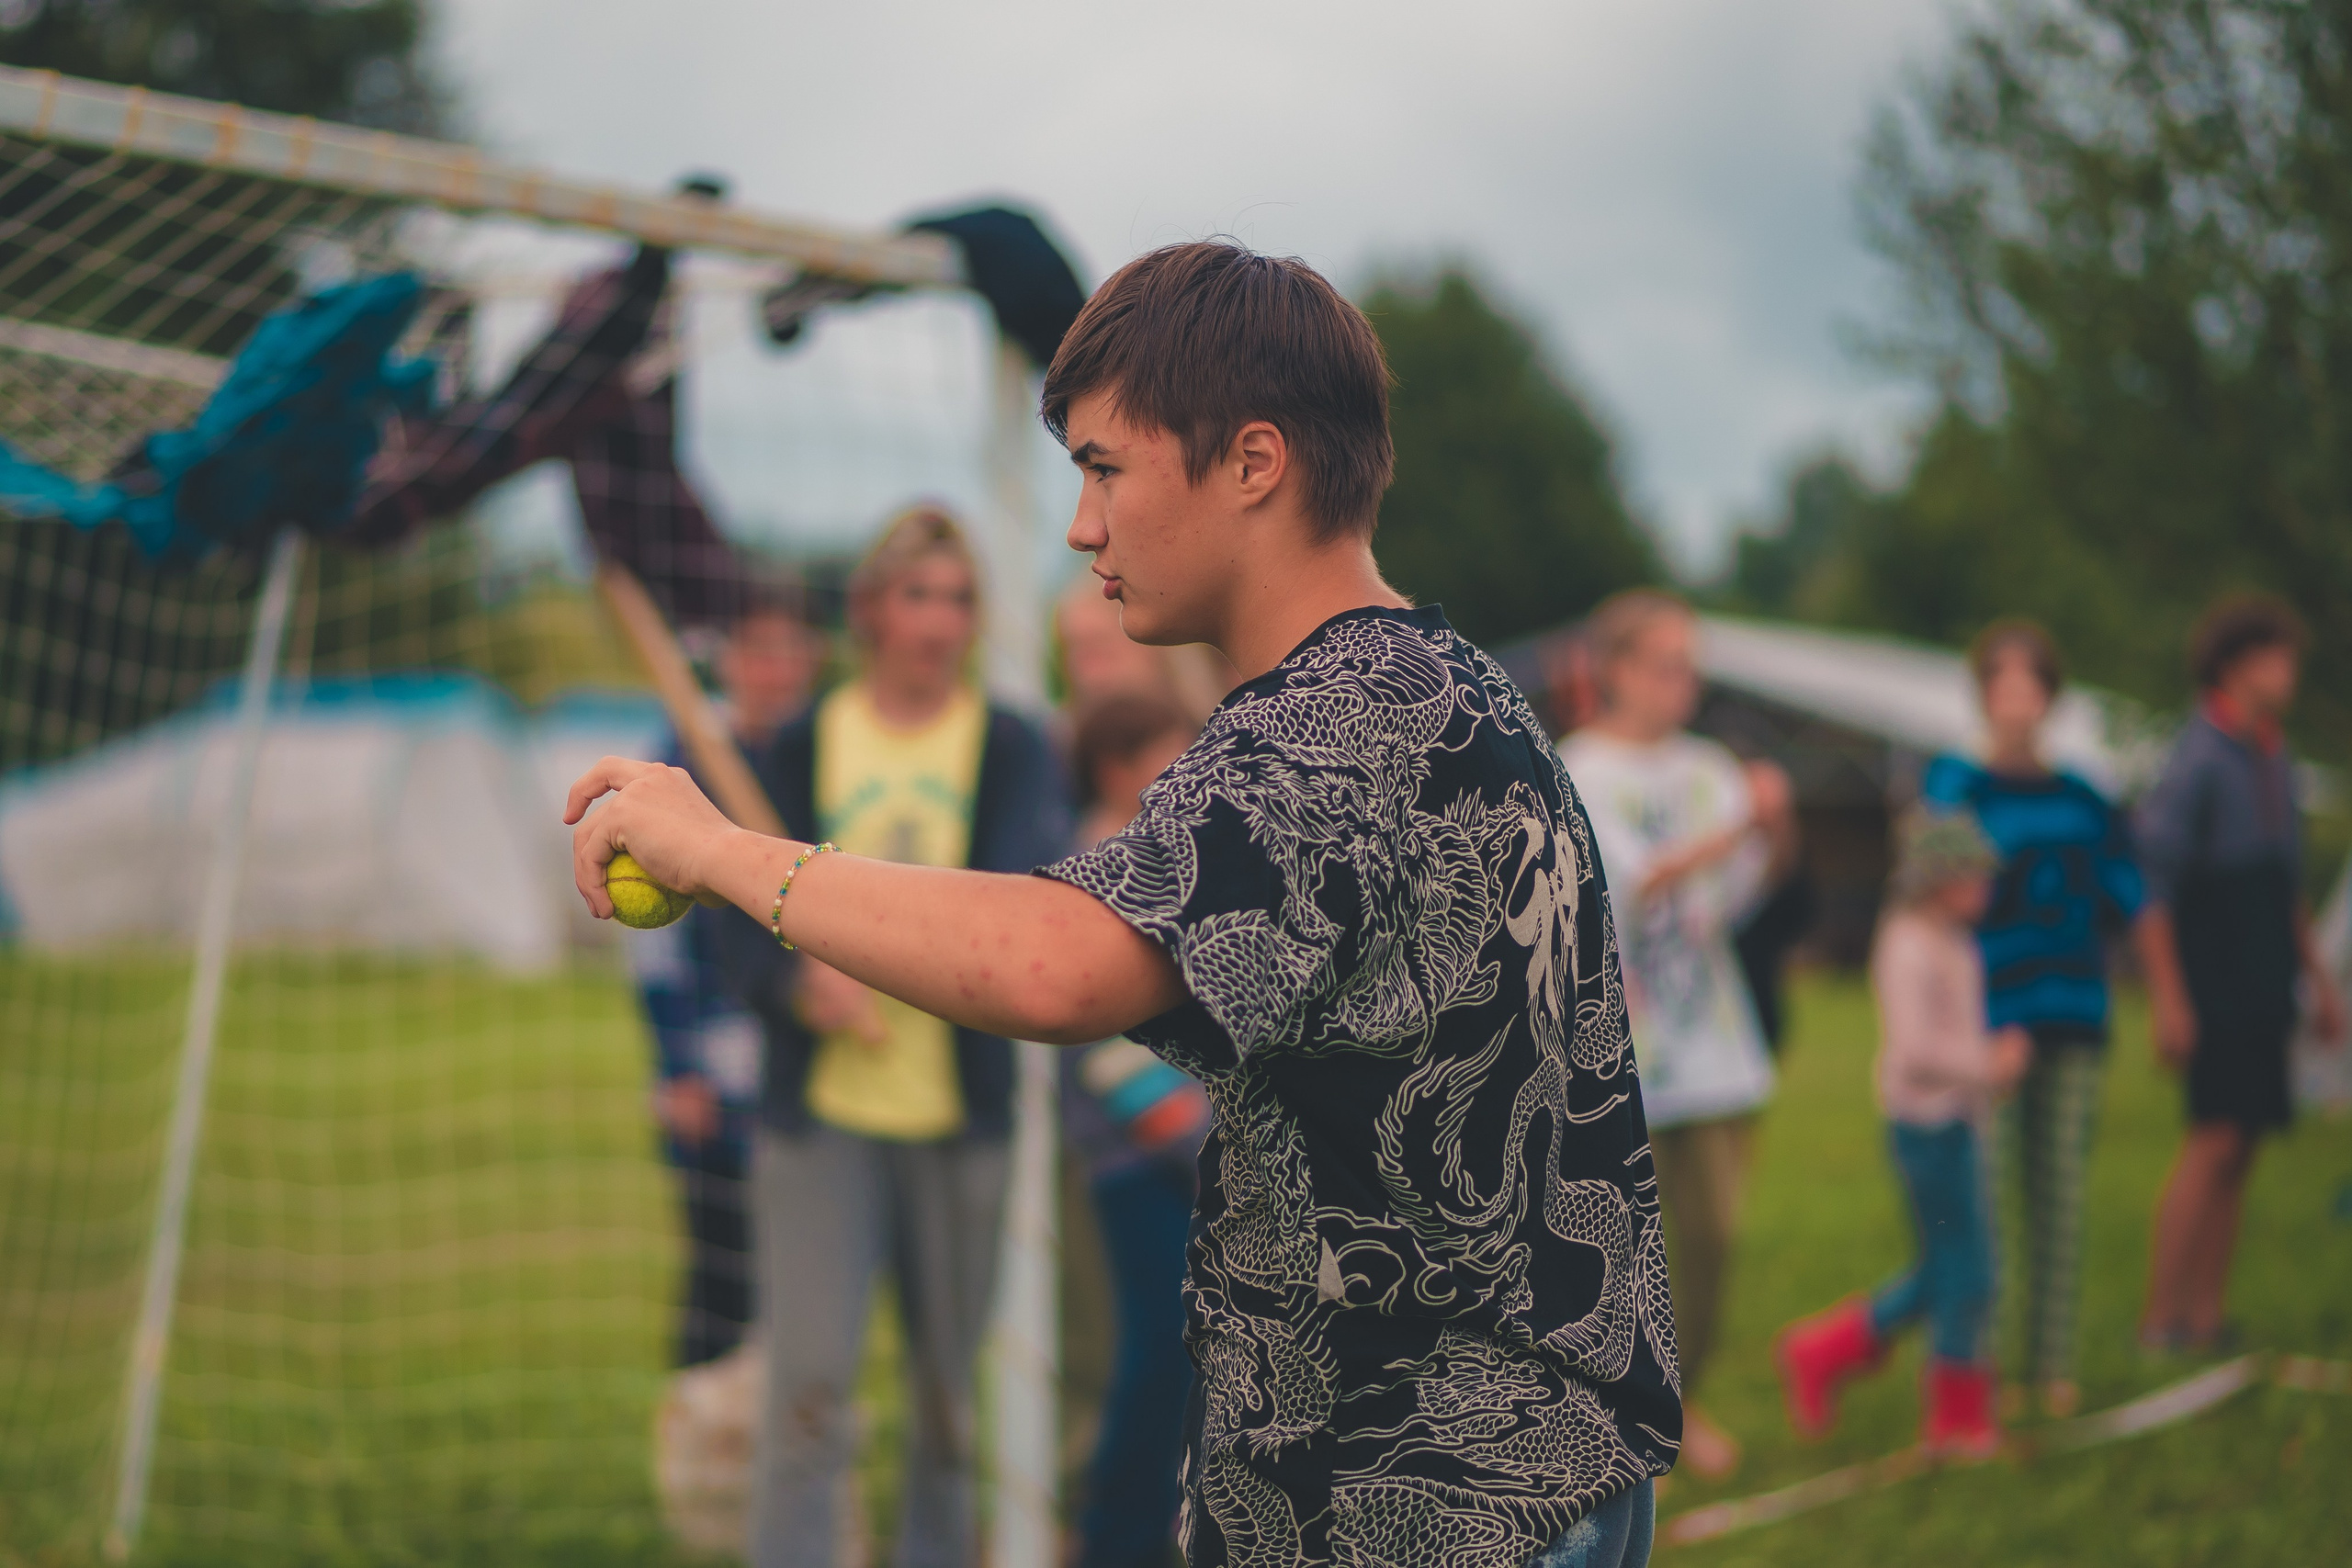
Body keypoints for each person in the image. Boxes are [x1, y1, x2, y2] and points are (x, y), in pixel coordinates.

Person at [569, 241, 1677, 1568]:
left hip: (1445, 1494)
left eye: (1104, 468)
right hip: (1475, 1473)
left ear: (1253, 463)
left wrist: (725, 852)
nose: (1082, 526)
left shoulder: (1345, 718)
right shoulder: (1421, 681)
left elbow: (1059, 964)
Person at [708, 508, 1070, 1568]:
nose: (942, 619)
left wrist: (873, 947)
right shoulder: (805, 743)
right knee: (807, 1394)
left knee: (950, 1411)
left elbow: (1015, 910)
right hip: (823, 1121)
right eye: (920, 594)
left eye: (960, 597)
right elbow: (742, 923)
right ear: (870, 610)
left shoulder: (1010, 747)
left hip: (961, 1125)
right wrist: (793, 985)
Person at [1558, 591, 1780, 1479]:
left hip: (1718, 1046)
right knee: (1617, 1253)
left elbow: (1734, 899)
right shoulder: (1578, 768)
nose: (1682, 682)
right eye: (1664, 662)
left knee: (1713, 1239)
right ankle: (1621, 1416)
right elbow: (1635, 881)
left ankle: (1682, 1399)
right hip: (1621, 1057)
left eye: (1691, 664)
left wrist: (1771, 833)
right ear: (1613, 670)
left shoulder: (1710, 767)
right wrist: (1744, 824)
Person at [1919, 619, 2148, 1418]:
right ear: (1983, 692)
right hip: (1988, 1019)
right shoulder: (1953, 783)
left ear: (2051, 694)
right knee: (1988, 1200)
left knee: (2062, 1195)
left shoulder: (2086, 795)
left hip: (2074, 1008)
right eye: (2001, 681)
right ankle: (1978, 1366)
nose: (2017, 698)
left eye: (2031, 681)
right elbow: (1931, 878)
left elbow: (2134, 893)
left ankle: (2048, 1367)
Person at [1774, 809, 2030, 1459]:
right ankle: (1955, 1420)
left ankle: (1821, 1351)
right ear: (1938, 877)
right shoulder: (1908, 944)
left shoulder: (1952, 937)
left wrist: (1986, 1063)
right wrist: (1987, 1063)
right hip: (1927, 1129)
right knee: (1967, 1273)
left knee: (1951, 1267)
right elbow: (1915, 1049)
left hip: (1958, 1121)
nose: (1987, 885)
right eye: (1974, 873)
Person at [2136, 594, 2345, 1353]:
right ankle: (2158, 1321)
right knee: (2212, 1139)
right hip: (2211, 972)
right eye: (2276, 657)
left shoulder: (2273, 754)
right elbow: (2152, 887)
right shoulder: (2196, 757)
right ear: (2235, 664)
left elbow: (2281, 884)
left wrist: (2319, 981)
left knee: (2246, 1141)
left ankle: (2206, 1316)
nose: (2289, 672)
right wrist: (2169, 997)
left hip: (2265, 972)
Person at [629, 587, 820, 1368]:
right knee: (720, 1275)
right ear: (728, 661)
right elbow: (651, 949)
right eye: (757, 649)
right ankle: (706, 1457)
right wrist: (678, 1065)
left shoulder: (826, 757)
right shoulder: (682, 761)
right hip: (715, 1061)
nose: (774, 669)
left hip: (810, 1057)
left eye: (789, 648)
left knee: (804, 1277)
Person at [1062, 691, 1213, 1568]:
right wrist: (1203, 1138)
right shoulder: (1095, 865)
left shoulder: (1175, 860)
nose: (1193, 775)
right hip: (1140, 1164)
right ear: (1120, 772)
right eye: (1173, 755)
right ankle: (1113, 1543)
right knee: (1160, 1353)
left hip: (1193, 1154)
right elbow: (1108, 1049)